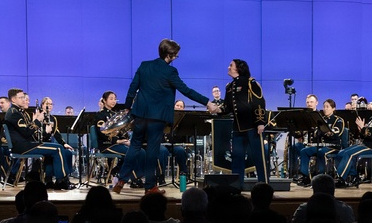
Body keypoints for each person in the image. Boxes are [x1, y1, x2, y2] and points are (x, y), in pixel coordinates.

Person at [112, 39, 219, 194]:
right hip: (158, 118)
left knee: (134, 146)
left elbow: (132, 88)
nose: (176, 58)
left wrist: (128, 107)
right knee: (152, 151)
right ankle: (150, 187)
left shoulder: (144, 65)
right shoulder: (170, 72)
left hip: (140, 114)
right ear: (169, 55)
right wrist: (207, 102)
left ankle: (121, 180)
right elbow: (186, 90)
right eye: (175, 55)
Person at [4, 88, 73, 190]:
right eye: (21, 97)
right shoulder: (14, 113)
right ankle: (61, 181)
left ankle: (59, 180)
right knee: (57, 149)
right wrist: (37, 121)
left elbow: (29, 132)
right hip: (23, 147)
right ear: (13, 100)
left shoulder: (21, 112)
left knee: (58, 148)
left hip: (27, 144)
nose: (24, 99)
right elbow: (27, 132)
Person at [216, 59, 268, 190]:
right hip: (238, 129)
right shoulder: (229, 86)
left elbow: (259, 102)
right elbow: (227, 107)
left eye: (231, 65)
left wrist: (261, 122)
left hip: (252, 127)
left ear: (238, 68)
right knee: (237, 159)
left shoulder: (250, 82)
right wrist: (217, 110)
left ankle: (264, 187)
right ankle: (236, 188)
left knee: (258, 158)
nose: (228, 67)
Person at [333, 98, 372, 186]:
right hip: (366, 144)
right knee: (342, 152)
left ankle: (341, 178)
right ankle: (354, 176)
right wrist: (361, 130)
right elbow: (365, 135)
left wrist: (363, 128)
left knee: (349, 154)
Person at [293, 97, 344, 186]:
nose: (325, 109)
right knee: (304, 151)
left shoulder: (338, 120)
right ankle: (305, 176)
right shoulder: (321, 119)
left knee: (321, 152)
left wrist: (327, 132)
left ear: (333, 108)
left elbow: (336, 134)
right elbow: (317, 134)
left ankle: (321, 177)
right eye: (324, 107)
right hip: (321, 145)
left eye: (327, 107)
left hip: (333, 146)